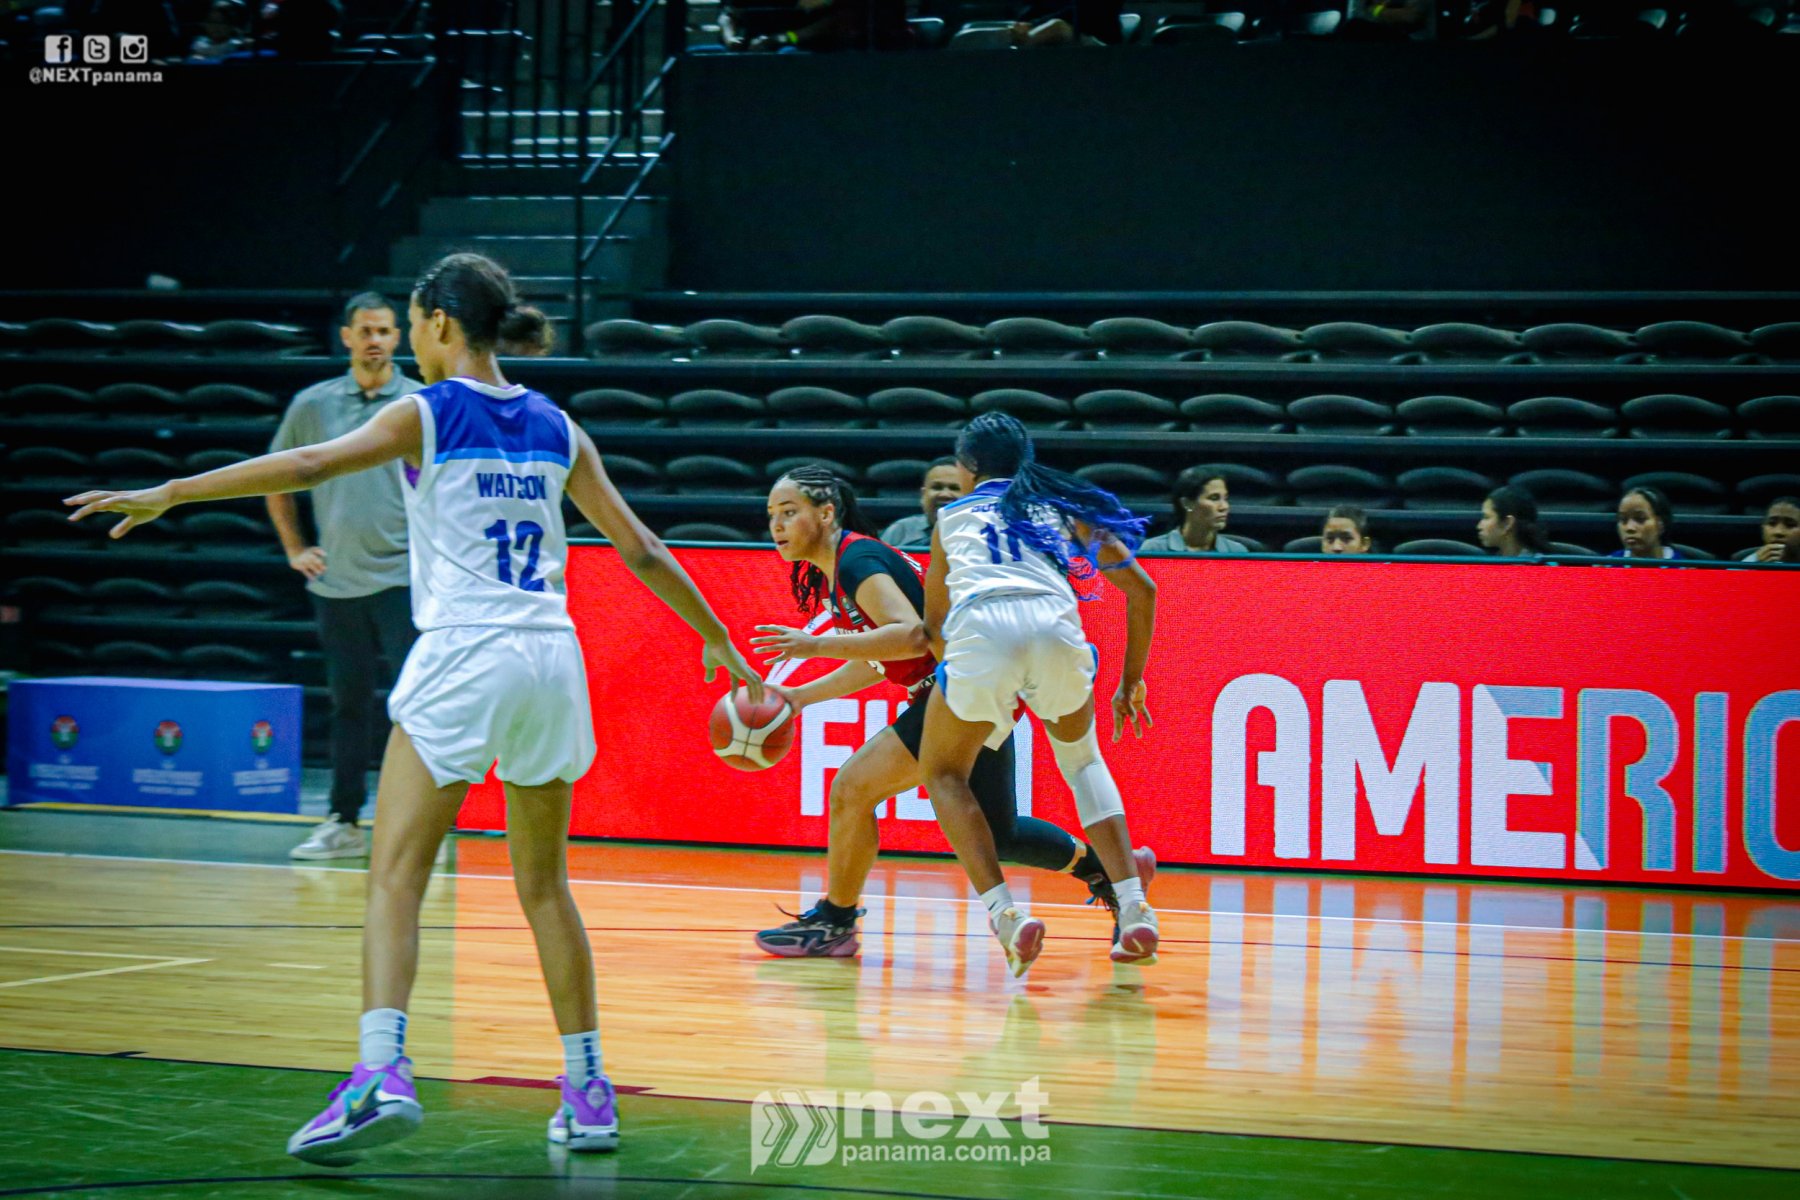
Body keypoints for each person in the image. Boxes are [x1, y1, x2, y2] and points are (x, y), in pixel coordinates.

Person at [66, 251, 761, 1165]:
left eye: (411, 321)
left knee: (395, 873)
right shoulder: (558, 425)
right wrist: (717, 636)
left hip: (467, 651)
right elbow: (641, 549)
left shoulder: (426, 412)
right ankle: (590, 1090)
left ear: (437, 322)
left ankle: (379, 1074)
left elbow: (308, 462)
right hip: (552, 658)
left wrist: (172, 491)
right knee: (544, 887)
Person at [750, 465, 1153, 958]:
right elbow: (883, 660)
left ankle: (836, 920)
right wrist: (800, 697)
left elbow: (910, 636)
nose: (777, 525)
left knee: (852, 790)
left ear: (826, 513)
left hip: (958, 691)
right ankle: (1114, 870)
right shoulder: (847, 565)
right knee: (999, 834)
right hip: (973, 686)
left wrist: (816, 645)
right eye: (772, 514)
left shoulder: (858, 560)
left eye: (789, 512)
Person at [918, 412, 1161, 977]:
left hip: (983, 632)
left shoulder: (951, 518)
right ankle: (1134, 905)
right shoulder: (1058, 508)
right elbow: (1143, 591)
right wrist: (1130, 680)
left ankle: (1006, 916)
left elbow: (934, 628)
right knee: (1083, 762)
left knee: (945, 772)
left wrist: (975, 694)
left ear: (967, 467)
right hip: (1055, 626)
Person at [271, 293, 422, 861]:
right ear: (346, 337)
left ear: (398, 338)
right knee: (348, 705)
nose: (375, 340)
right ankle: (343, 820)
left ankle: (417, 826)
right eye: (365, 331)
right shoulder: (313, 405)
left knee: (416, 706)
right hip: (336, 583)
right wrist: (296, 548)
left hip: (404, 581)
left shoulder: (418, 404)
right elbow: (278, 478)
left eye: (384, 330)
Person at [1140, 467, 1250, 554]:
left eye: (1225, 498)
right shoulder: (1154, 550)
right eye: (1214, 498)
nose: (1224, 507)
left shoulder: (1236, 552)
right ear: (1187, 503)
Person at [877, 456, 963, 550]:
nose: (944, 494)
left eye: (955, 488)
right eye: (937, 487)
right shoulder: (901, 530)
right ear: (923, 495)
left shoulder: (975, 532)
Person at [1475, 486, 1552, 558]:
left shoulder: (1544, 566)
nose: (1479, 526)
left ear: (1507, 523)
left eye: (1486, 517)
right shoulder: (1489, 564)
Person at [1611, 486, 1680, 560]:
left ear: (1661, 524)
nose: (1629, 528)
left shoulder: (1682, 566)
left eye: (1640, 519)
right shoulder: (1607, 564)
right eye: (1623, 519)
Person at [1749, 496, 1800, 564]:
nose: (1778, 532)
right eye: (1772, 523)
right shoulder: (1748, 562)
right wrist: (1758, 566)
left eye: (1790, 525)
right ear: (1762, 529)